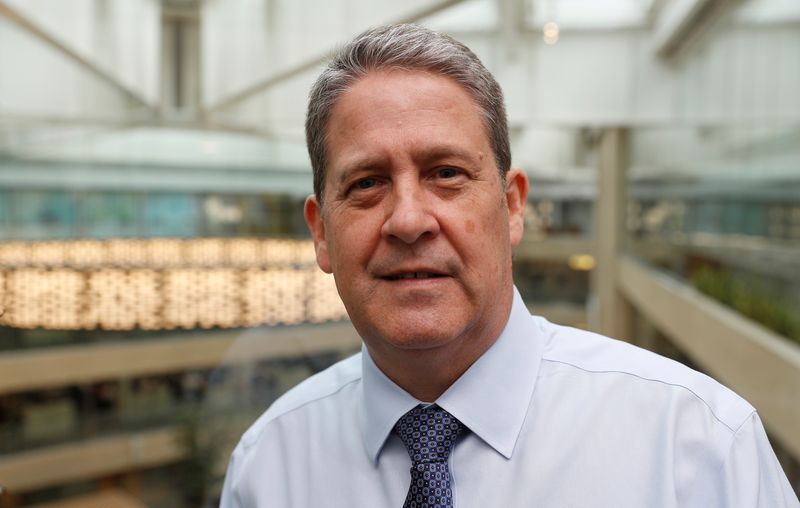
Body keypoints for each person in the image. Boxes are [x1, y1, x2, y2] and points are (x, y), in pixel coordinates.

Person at [220, 24, 798, 507]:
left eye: (446, 173)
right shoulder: (268, 470)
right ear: (321, 232)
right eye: (367, 183)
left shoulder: (695, 449)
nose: (408, 219)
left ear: (512, 206)